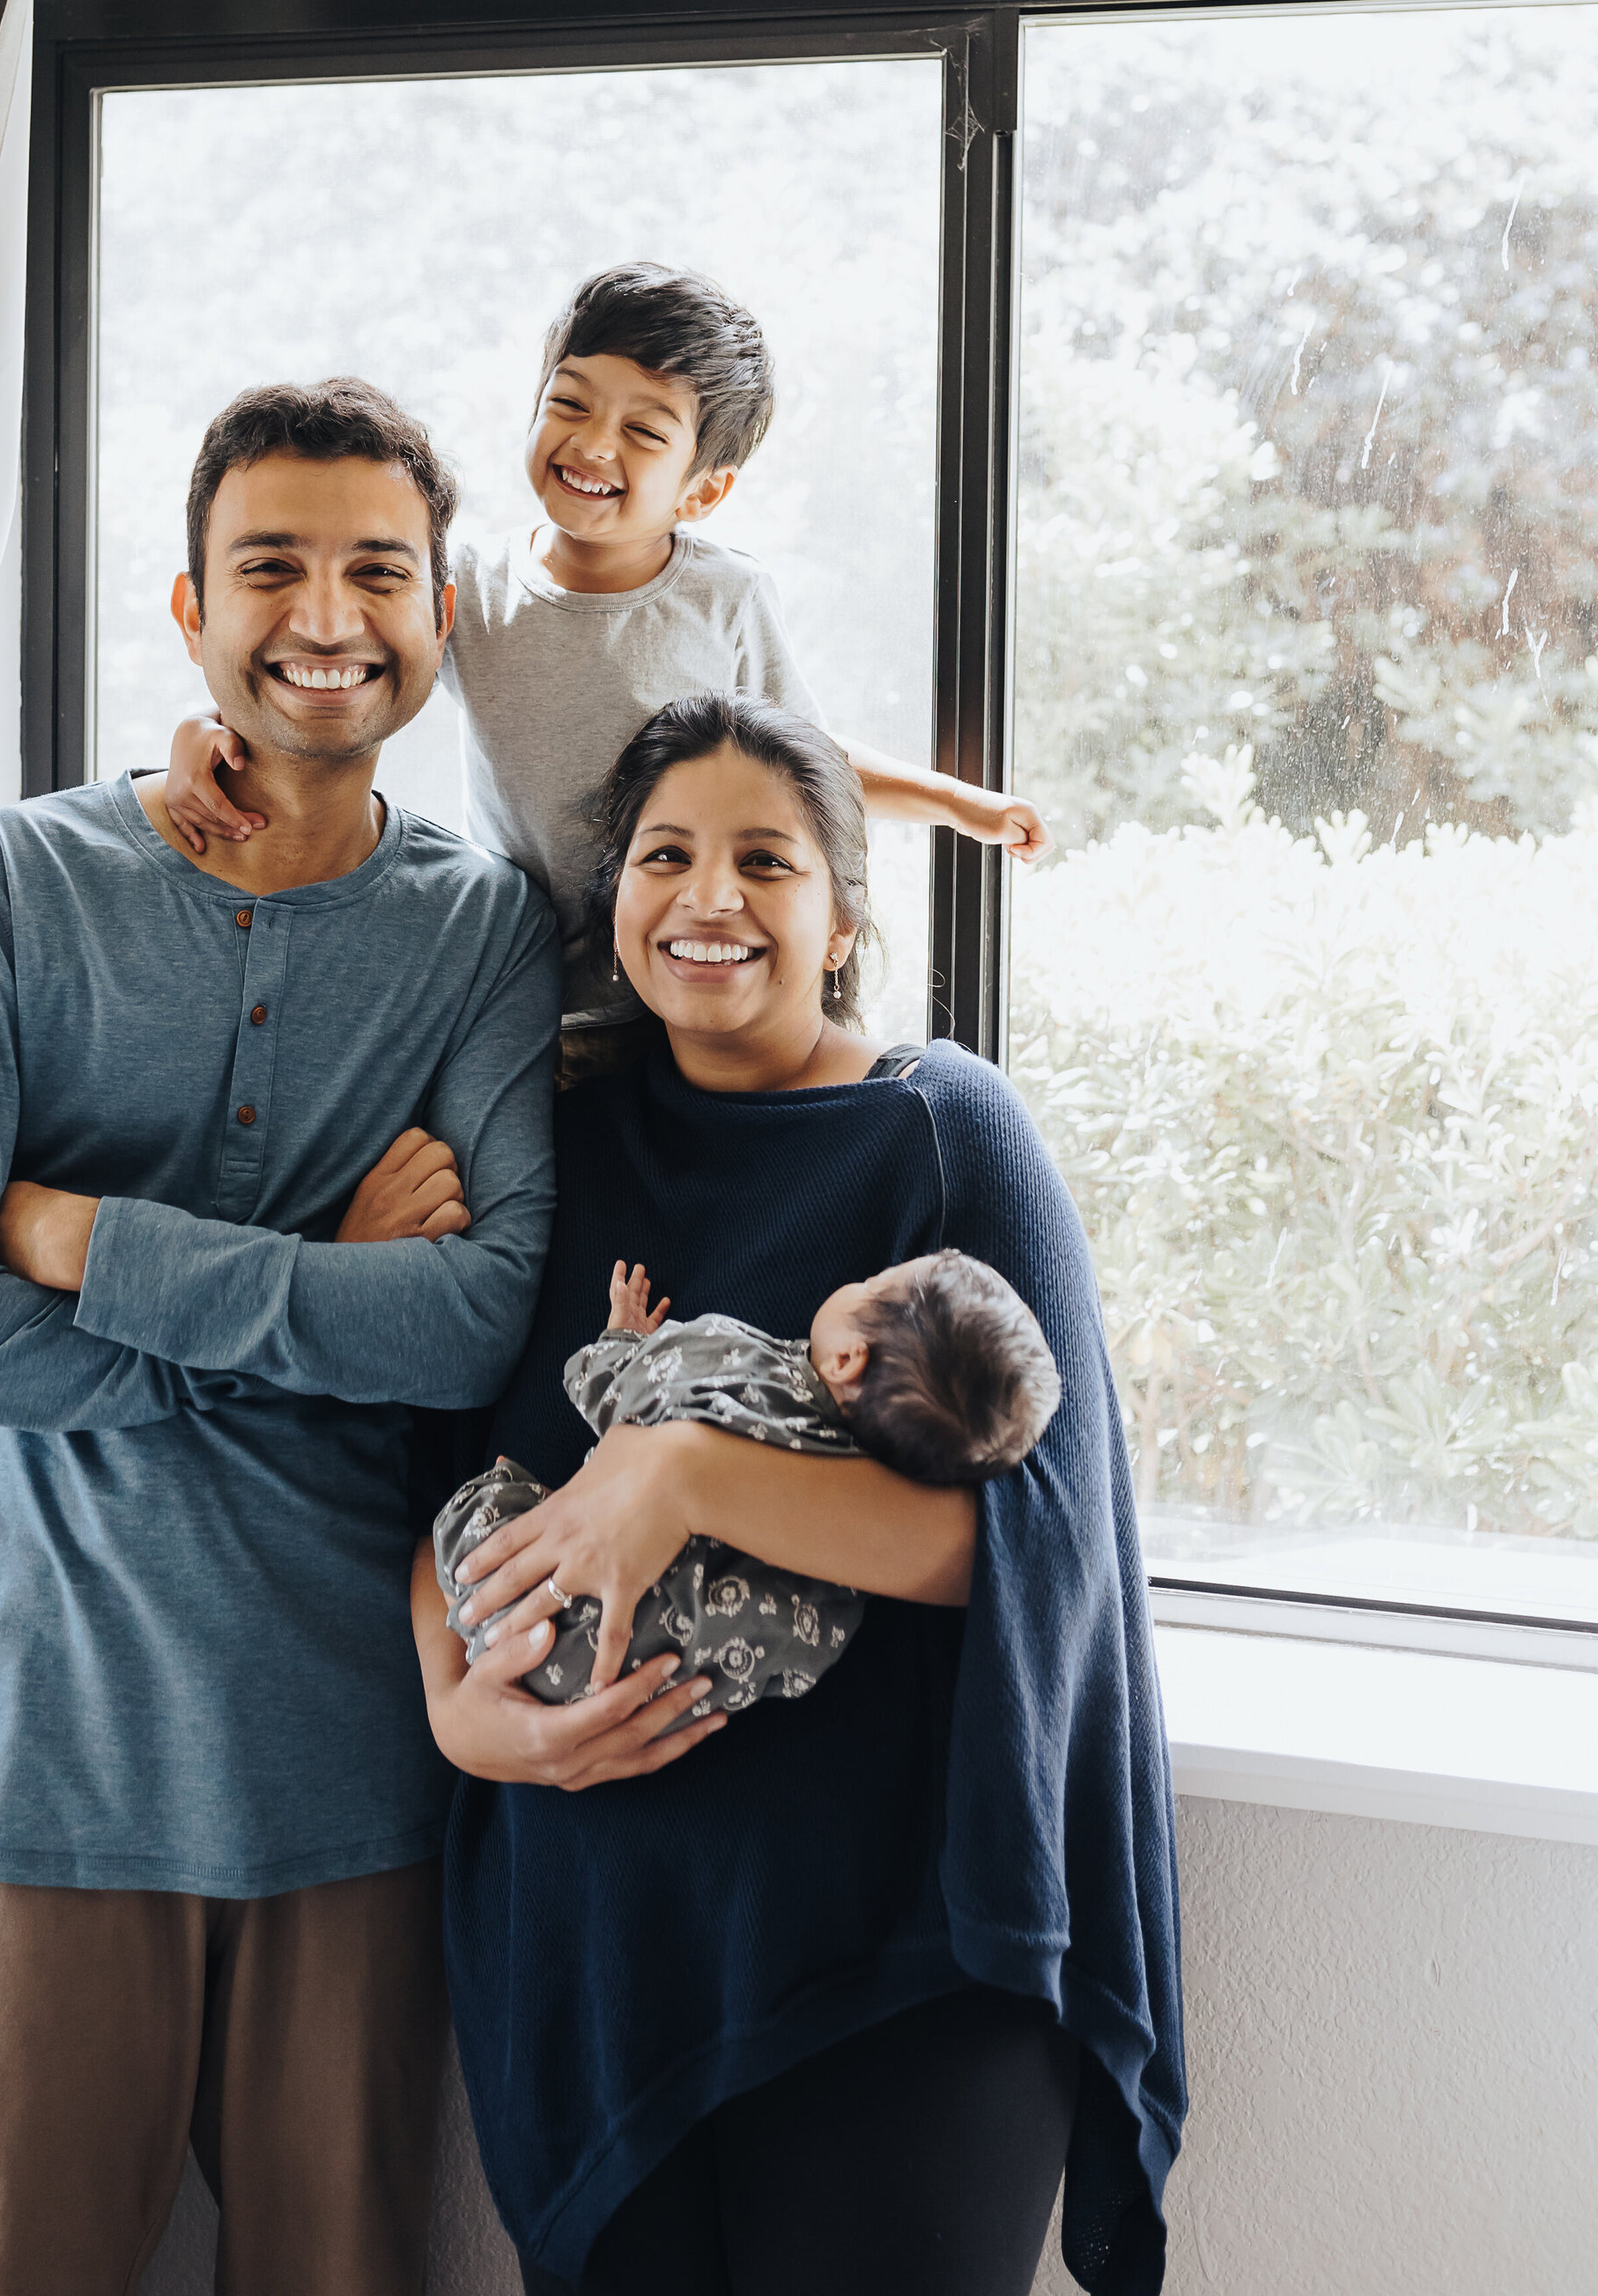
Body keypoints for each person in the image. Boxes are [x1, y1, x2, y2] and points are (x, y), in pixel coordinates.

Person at [0, 379, 559, 2296]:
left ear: (440, 611)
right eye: (273, 567)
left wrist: (89, 1242)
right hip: (31, 1750)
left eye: (375, 571)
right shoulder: (10, 885)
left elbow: (477, 1325)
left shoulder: (482, 930)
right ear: (189, 608)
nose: (325, 613)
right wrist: (315, 1278)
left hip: (342, 1756)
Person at [411, 693, 1185, 2296]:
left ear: (842, 920)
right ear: (610, 896)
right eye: (665, 855)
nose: (709, 898)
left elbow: (1034, 1549)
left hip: (901, 1961)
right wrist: (456, 1717)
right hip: (602, 1960)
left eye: (765, 862)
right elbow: (436, 1482)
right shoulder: (559, 1139)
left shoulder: (944, 1128)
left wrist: (686, 1472)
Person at [163, 261, 1050, 1021]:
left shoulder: (722, 596)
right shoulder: (468, 587)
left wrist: (955, 804)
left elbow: (803, 760)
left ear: (701, 493)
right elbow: (340, 677)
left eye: (642, 432)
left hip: (686, 958)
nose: (591, 445)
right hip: (524, 973)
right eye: (570, 404)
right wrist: (208, 731)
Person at [433, 1243, 1061, 1713]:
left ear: (847, 1359)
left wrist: (620, 1340)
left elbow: (610, 1391)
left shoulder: (736, 1365)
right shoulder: (847, 1545)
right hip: (626, 1699)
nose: (859, 1280)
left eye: (870, 1284)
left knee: (481, 1501)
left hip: (519, 1617)